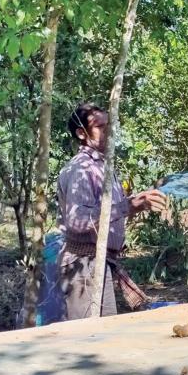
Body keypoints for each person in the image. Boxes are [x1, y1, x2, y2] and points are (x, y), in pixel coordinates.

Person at [56, 103, 167, 320]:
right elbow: (77, 221)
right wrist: (128, 206)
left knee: (101, 332)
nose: (109, 132)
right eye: (100, 126)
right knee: (89, 337)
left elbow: (108, 213)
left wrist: (137, 203)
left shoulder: (103, 167)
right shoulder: (81, 169)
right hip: (84, 266)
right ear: (81, 133)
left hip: (98, 263)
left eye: (110, 125)